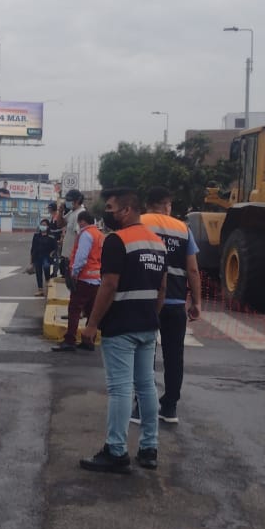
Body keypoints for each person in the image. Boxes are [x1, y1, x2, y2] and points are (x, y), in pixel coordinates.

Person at [78, 187, 168, 474]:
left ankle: (116, 451)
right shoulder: (157, 243)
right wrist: (150, 316)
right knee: (146, 387)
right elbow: (162, 289)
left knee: (120, 389)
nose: (108, 213)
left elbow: (108, 285)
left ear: (127, 210)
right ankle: (149, 449)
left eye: (111, 208)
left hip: (121, 327)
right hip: (146, 326)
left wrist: (92, 324)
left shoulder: (117, 240)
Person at [137, 186, 202, 425]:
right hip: (175, 303)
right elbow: (193, 269)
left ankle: (141, 406)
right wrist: (196, 302)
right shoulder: (183, 229)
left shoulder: (139, 223)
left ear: (148, 204)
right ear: (166, 205)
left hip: (145, 300)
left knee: (145, 354)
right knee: (175, 357)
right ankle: (170, 407)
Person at [52, 210, 103, 352]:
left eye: (79, 223)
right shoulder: (99, 234)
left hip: (84, 277)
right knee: (90, 310)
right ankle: (88, 341)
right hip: (95, 278)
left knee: (74, 309)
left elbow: (81, 257)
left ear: (82, 221)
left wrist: (74, 273)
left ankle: (70, 340)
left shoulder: (86, 234)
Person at [30, 219, 58, 296]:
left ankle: (47, 279)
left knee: (46, 266)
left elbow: (55, 247)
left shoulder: (51, 236)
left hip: (47, 256)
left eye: (44, 225)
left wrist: (52, 253)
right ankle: (40, 290)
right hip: (37, 256)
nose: (43, 226)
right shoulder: (36, 235)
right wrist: (31, 260)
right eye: (41, 224)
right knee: (38, 272)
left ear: (48, 226)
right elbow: (33, 248)